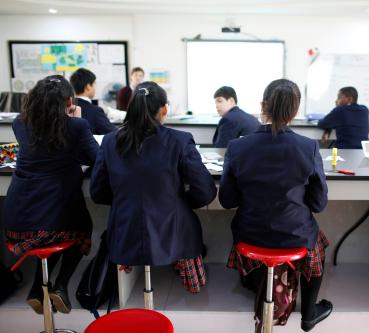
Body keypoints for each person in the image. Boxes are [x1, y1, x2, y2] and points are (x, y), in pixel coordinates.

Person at [220, 79, 333, 332]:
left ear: (262, 105)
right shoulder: (308, 147)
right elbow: (318, 203)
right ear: (295, 111)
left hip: (249, 234)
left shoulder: (238, 147)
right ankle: (309, 313)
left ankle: (259, 286)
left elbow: (227, 201)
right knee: (319, 243)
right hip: (294, 234)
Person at [90, 81, 216, 293]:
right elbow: (205, 191)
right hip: (172, 234)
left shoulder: (110, 141)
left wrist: (126, 201)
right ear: (164, 109)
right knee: (188, 222)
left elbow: (97, 192)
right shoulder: (180, 141)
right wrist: (180, 202)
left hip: (124, 229)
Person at [3, 75, 99, 314]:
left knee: (53, 227)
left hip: (16, 223)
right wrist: (76, 121)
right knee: (79, 228)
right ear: (69, 101)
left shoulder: (19, 123)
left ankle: (37, 288)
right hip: (53, 222)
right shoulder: (76, 126)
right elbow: (96, 159)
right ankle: (61, 287)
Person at [70, 68, 116, 134]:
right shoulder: (95, 111)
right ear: (88, 87)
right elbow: (114, 134)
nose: (95, 88)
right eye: (94, 84)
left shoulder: (67, 108)